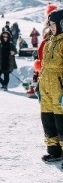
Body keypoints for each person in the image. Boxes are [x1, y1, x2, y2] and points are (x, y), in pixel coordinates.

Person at [37, 9, 63, 167]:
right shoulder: (50, 42)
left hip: (59, 88)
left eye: (54, 24)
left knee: (62, 122)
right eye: (50, 24)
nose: (51, 27)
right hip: (46, 87)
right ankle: (54, 150)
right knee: (48, 120)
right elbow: (44, 66)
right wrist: (39, 84)